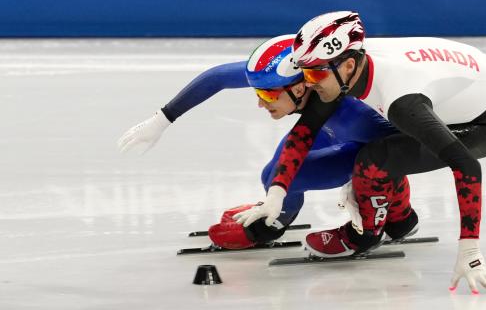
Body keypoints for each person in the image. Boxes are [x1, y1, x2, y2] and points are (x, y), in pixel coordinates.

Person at [233, 12, 486, 294]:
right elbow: (305, 131)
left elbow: (466, 165)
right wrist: (276, 194)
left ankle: (365, 235)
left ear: (347, 66)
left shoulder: (402, 101)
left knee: (376, 158)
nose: (308, 82)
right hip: (470, 82)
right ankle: (400, 218)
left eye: (313, 72)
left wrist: (470, 249)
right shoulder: (339, 68)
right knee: (380, 144)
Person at [117, 35, 399, 248]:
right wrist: (162, 119)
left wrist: (362, 185)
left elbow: (402, 149)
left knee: (287, 174)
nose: (260, 104)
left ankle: (397, 218)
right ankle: (277, 217)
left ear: (300, 87)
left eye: (267, 96)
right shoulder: (290, 75)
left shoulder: (355, 115)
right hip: (327, 127)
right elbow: (217, 78)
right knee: (273, 176)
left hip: (369, 141)